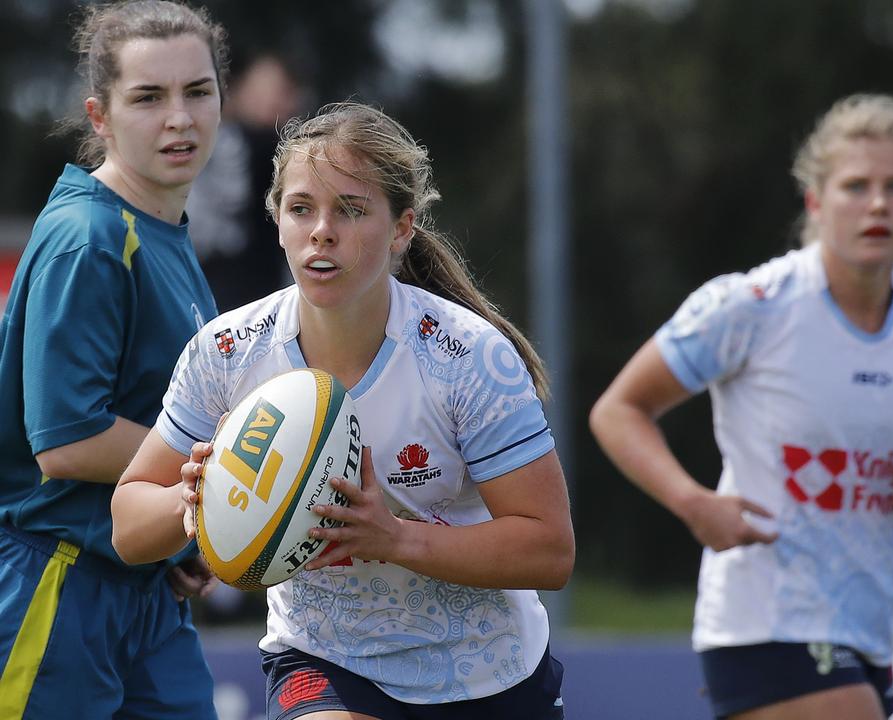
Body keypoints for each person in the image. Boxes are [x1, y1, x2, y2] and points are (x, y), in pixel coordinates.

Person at [111, 102, 574, 720]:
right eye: (301, 209)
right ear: (276, 221)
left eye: (351, 210)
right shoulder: (226, 353)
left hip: (486, 678)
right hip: (323, 660)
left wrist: (397, 539)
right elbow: (127, 522)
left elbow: (550, 551)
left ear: (402, 229)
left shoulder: (468, 358)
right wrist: (190, 503)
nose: (321, 231)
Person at [589, 93, 893, 720]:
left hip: (870, 626)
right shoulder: (754, 304)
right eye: (856, 186)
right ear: (817, 203)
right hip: (763, 616)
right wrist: (693, 503)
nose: (877, 204)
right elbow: (618, 410)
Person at [0, 2, 226, 718]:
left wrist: (177, 528)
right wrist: (222, 475)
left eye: (198, 91)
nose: (180, 119)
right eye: (149, 98)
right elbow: (67, 440)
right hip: (56, 587)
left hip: (145, 596)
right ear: (100, 117)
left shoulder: (164, 232)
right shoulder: (90, 238)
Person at [187, 52, 304, 310]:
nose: (281, 102)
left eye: (287, 92)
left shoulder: (290, 153)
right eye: (274, 90)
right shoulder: (215, 143)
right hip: (215, 290)